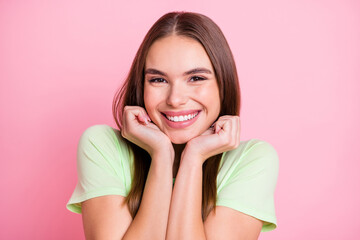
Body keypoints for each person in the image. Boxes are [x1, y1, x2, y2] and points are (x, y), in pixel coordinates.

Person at [67, 11, 279, 240]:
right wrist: (161, 155)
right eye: (158, 80)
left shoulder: (252, 159)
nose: (175, 99)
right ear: (142, 86)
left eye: (196, 78)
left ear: (222, 84)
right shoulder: (101, 145)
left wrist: (194, 157)